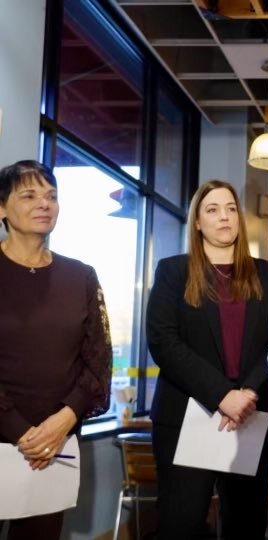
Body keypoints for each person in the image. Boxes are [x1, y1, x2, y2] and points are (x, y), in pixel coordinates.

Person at [146, 179, 268, 539]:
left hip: (251, 416)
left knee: (246, 524)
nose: (223, 216)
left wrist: (249, 392)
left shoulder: (266, 274)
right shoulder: (173, 271)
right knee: (182, 524)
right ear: (197, 222)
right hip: (187, 414)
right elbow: (163, 342)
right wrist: (224, 396)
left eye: (230, 208)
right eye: (212, 209)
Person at [0, 160, 112, 539]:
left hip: (56, 443)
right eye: (29, 195)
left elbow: (99, 357)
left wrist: (63, 421)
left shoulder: (81, 275)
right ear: (2, 208)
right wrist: (19, 430)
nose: (44, 204)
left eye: (51, 196)